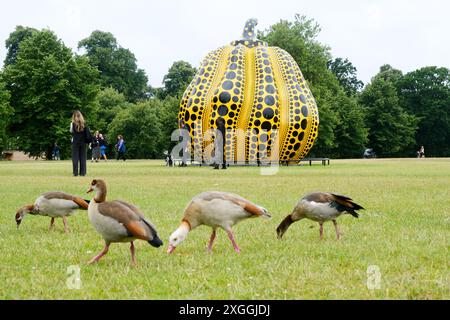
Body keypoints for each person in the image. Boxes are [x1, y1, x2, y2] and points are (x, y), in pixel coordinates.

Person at [70, 110, 91, 176]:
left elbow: (71, 132)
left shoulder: (72, 124)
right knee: (83, 158)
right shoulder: (84, 124)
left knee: (75, 158)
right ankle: (83, 173)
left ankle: (75, 173)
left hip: (75, 143)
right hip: (83, 143)